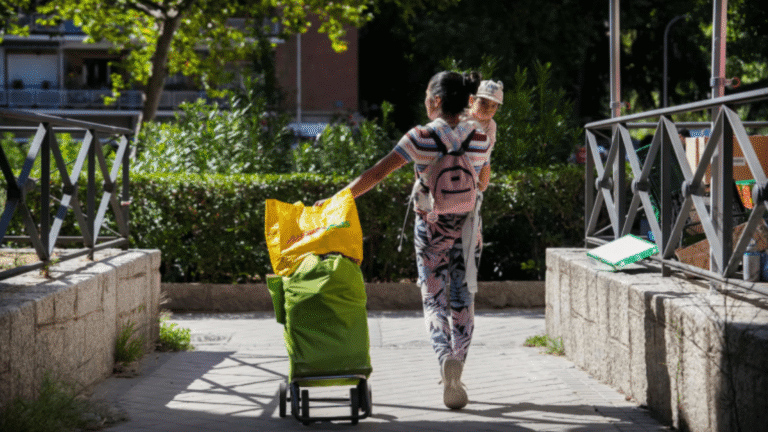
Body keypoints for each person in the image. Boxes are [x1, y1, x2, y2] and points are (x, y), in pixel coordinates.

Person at [315, 70, 495, 410]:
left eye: (427, 95)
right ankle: (458, 364)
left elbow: (376, 173)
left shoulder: (420, 137)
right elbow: (483, 183)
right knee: (463, 299)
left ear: (436, 100)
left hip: (431, 229)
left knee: (434, 299)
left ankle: (444, 357)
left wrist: (336, 200)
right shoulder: (480, 138)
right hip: (468, 229)